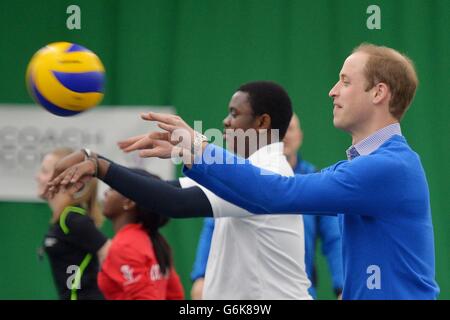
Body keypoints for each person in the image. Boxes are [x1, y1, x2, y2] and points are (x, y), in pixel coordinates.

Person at [113, 44, 440, 299]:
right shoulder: (372, 166)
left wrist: (197, 146)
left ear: (378, 93)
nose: (333, 91)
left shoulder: (387, 168)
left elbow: (277, 193)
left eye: (345, 81)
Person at [46, 81, 312, 300]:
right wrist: (94, 158)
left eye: (234, 113)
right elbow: (165, 188)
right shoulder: (246, 170)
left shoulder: (265, 173)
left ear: (262, 122)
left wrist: (101, 167)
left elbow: (176, 203)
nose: (225, 121)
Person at [190, 114, 343, 299]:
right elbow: (213, 225)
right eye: (280, 130)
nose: (285, 135)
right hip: (243, 294)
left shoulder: (313, 180)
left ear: (300, 136)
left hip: (292, 291)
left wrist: (342, 286)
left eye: (291, 129)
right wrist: (201, 276)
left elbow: (334, 239)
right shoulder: (240, 175)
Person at [97, 168, 184, 300]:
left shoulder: (125, 245)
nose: (105, 193)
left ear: (129, 202)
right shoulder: (154, 240)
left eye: (112, 188)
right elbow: (175, 295)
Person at [36, 148, 110, 300]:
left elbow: (111, 253)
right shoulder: (63, 218)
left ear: (66, 178)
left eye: (44, 171)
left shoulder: (73, 220)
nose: (37, 177)